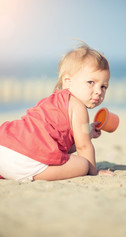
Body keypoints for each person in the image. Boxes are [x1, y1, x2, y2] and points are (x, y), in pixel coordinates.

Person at [0, 42, 113, 181]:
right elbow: (83, 146)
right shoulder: (78, 107)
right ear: (67, 80)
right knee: (83, 165)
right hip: (24, 159)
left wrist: (87, 133)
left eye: (103, 86)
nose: (98, 91)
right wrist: (93, 172)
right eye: (91, 82)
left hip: (5, 146)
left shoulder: (53, 101)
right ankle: (33, 175)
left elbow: (60, 145)